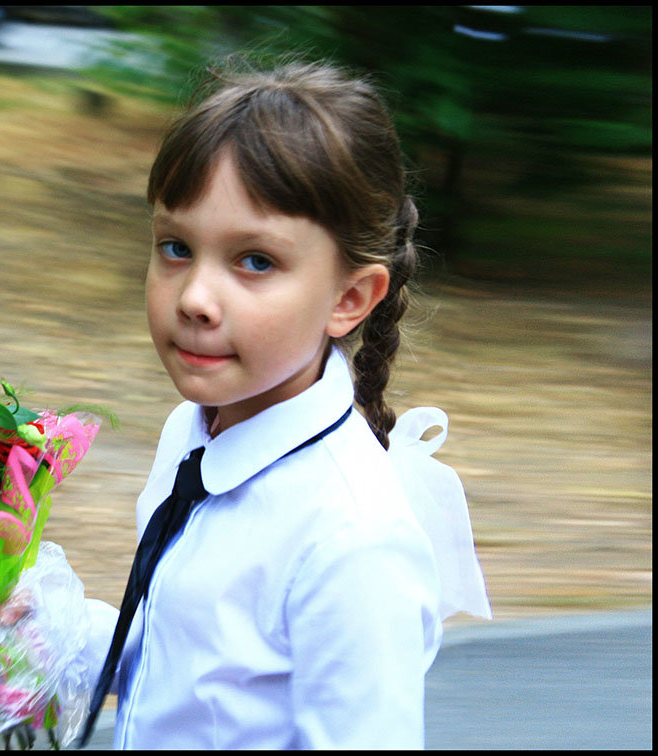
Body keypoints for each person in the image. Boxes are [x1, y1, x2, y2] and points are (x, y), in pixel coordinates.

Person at [72, 57, 492, 749]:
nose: (196, 299)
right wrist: (13, 620)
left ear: (349, 299)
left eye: (255, 261)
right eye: (175, 247)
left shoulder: (351, 540)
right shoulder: (192, 433)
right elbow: (174, 662)